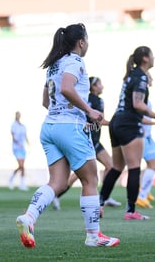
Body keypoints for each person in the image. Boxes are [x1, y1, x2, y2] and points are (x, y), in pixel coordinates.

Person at [15, 23, 119, 248]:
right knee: (91, 179)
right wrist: (89, 110)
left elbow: (46, 101)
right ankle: (94, 236)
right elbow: (66, 88)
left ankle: (29, 217)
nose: (88, 44)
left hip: (50, 126)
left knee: (57, 182)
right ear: (81, 42)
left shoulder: (54, 65)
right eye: (87, 40)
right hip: (70, 127)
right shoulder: (75, 61)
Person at [99, 46, 155, 220]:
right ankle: (131, 211)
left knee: (116, 167)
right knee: (134, 168)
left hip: (117, 121)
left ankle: (98, 204)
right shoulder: (140, 76)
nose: (154, 58)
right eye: (152, 55)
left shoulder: (131, 74)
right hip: (129, 124)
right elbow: (137, 104)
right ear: (145, 58)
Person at [52, 76, 121, 210]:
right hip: (90, 139)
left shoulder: (86, 98)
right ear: (93, 87)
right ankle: (56, 194)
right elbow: (98, 120)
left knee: (107, 166)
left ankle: (104, 196)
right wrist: (116, 123)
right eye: (99, 83)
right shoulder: (96, 100)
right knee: (83, 173)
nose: (102, 86)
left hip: (90, 137)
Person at [9, 111, 29, 191]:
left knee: (22, 167)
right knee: (21, 165)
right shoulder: (13, 125)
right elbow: (13, 137)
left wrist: (28, 144)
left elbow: (25, 136)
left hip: (22, 148)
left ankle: (22, 184)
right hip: (16, 148)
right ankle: (11, 179)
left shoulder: (23, 126)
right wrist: (18, 143)